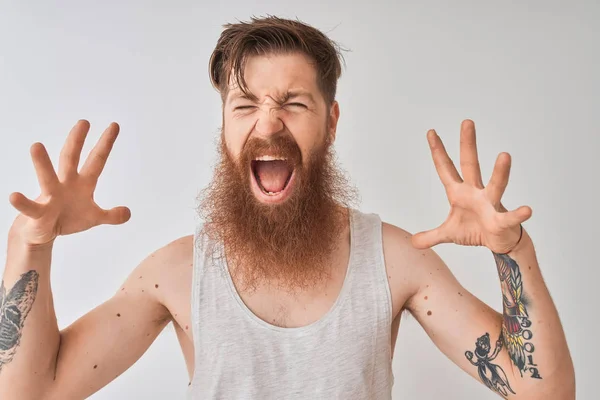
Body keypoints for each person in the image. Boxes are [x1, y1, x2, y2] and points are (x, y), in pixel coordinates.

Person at [0, 16, 574, 400]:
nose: (267, 124)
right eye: (245, 104)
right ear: (223, 124)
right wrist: (30, 242)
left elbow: (543, 391)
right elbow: (31, 391)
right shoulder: (177, 274)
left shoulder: (395, 261)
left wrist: (512, 251)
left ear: (331, 121)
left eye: (294, 103)